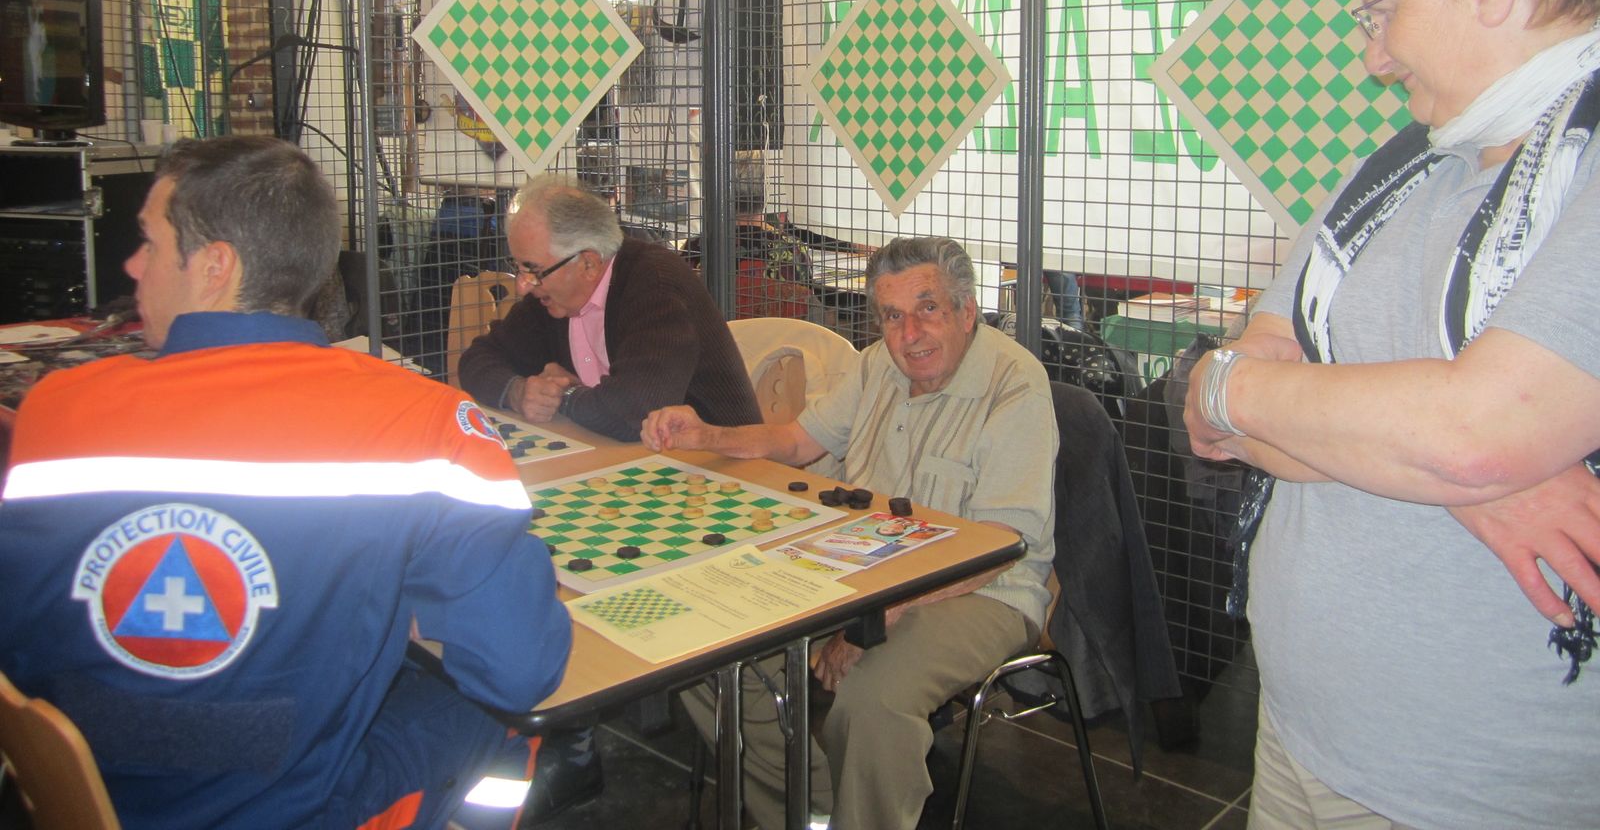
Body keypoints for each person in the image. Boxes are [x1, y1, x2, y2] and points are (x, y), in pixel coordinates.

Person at [1183, 0, 1600, 830]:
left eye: (1380, 13)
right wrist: (1448, 475)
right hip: (1302, 734)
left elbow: (1471, 436)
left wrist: (1249, 393)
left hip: (1477, 785)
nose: (1373, 56)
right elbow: (1213, 405)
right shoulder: (1397, 170)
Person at [0, 136, 570, 830]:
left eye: (149, 243)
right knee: (501, 713)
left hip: (81, 796)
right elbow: (520, 669)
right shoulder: (424, 424)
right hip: (295, 812)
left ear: (216, 266)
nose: (131, 265)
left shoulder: (53, 409)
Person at [643, 235, 1056, 830]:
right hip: (860, 565)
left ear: (967, 311)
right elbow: (796, 441)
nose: (909, 333)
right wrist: (705, 434)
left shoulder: (1015, 385)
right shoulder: (876, 365)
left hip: (983, 590)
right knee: (702, 644)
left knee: (873, 700)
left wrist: (876, 617)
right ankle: (813, 810)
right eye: (892, 315)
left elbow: (996, 546)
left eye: (928, 308)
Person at [456, 172, 760, 438]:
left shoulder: (656, 284)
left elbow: (635, 414)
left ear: (588, 263)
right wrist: (518, 391)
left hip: (720, 468)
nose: (522, 285)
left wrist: (565, 394)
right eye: (519, 268)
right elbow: (476, 360)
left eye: (532, 269)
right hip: (627, 460)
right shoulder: (551, 295)